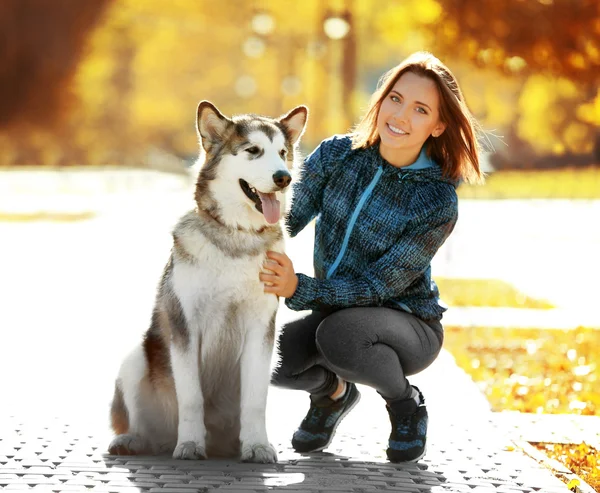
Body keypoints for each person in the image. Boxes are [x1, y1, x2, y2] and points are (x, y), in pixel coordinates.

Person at [259, 51, 484, 463]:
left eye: (420, 109)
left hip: (409, 327)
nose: (400, 115)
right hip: (333, 314)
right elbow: (284, 222)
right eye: (395, 99)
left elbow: (378, 285)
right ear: (381, 99)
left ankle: (405, 404)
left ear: (438, 126)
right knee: (262, 356)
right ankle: (332, 395)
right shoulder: (337, 155)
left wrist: (300, 288)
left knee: (339, 335)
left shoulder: (435, 199)